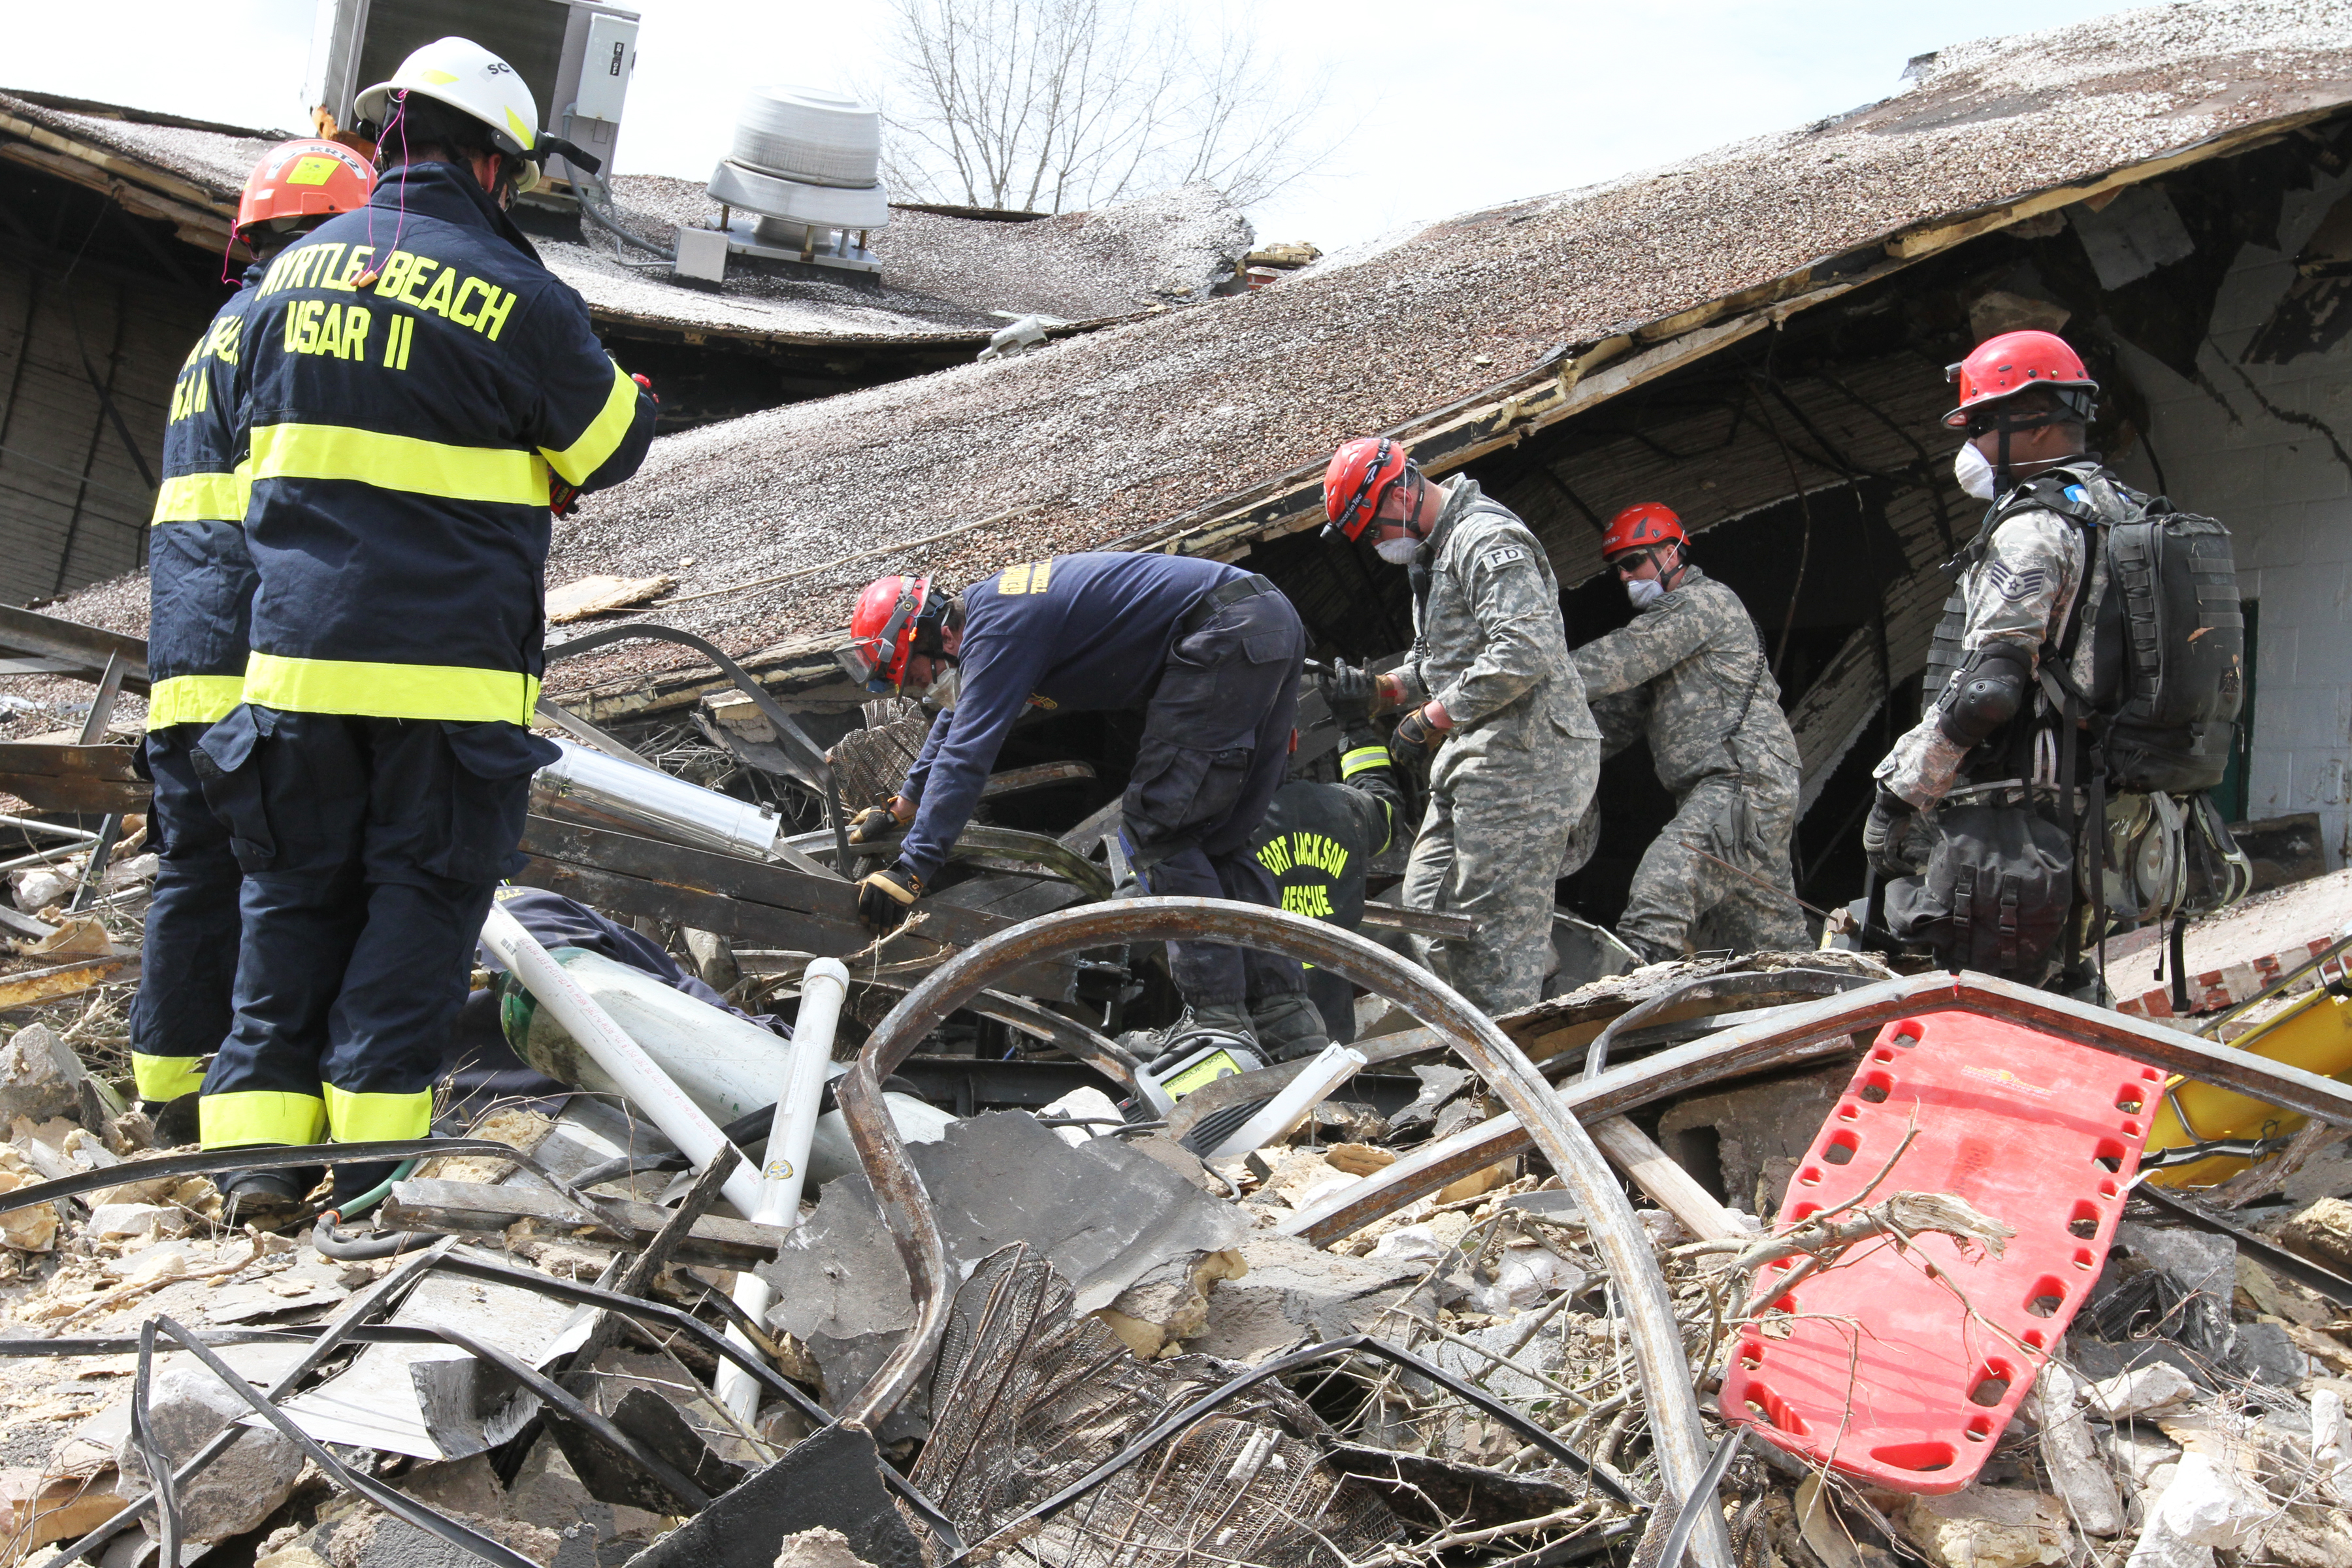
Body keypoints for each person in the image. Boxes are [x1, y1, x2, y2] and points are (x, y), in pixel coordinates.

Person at [200, 36, 658, 1218]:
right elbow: (607, 447)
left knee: (291, 899)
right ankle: (367, 1173)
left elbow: (258, 449)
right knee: (418, 897)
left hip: (291, 669)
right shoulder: (518, 293)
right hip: (445, 681)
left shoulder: (282, 286)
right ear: (495, 166)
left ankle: (254, 1162)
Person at [1863, 329, 2247, 985]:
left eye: (1981, 423)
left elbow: (1988, 693)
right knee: (2062, 983)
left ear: (2035, 421)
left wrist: (1901, 790)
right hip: (2109, 820)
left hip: (2018, 829)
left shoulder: (2035, 528)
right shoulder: (2124, 511)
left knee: (1987, 1011)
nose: (1972, 445)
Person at [129, 140, 376, 1138]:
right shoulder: (293, 339)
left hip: (183, 662)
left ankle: (165, 1098)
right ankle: (272, 1109)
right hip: (255, 661)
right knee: (296, 884)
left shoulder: (211, 343)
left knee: (195, 877)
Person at [841, 555, 1326, 1058]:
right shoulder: (995, 616)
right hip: (1264, 618)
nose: (923, 692)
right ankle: (1286, 1017)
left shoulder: (1000, 631)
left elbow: (968, 752)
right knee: (1218, 839)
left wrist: (911, 868)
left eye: (917, 679)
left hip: (1220, 633)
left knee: (1159, 834)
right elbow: (958, 718)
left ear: (935, 639)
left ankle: (1218, 1023)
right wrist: (904, 806)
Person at [1319, 438, 1601, 1013]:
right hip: (1475, 762)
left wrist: (1431, 717)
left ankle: (1512, 1063)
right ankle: (1492, 1024)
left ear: (1401, 489)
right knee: (1425, 913)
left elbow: (1525, 647)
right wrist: (1382, 691)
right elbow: (1440, 662)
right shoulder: (1435, 552)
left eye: (1373, 529)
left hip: (1527, 758)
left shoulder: (1485, 539)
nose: (1375, 544)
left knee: (1495, 933)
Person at [1571, 503, 1808, 963]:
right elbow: (1613, 721)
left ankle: (1627, 1005)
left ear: (1673, 551)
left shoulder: (1700, 604)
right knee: (1770, 943)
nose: (1624, 577)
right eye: (1618, 568)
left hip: (1742, 782)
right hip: (1742, 788)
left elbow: (1617, 661)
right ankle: (1826, 1012)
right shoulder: (1672, 636)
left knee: (1662, 893)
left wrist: (1513, 678)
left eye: (1633, 562)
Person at [1247, 687, 1409, 1050]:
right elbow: (1387, 810)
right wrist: (1355, 727)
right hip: (1330, 1043)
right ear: (1292, 741)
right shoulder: (1347, 810)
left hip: (1247, 1043)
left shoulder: (1217, 827)